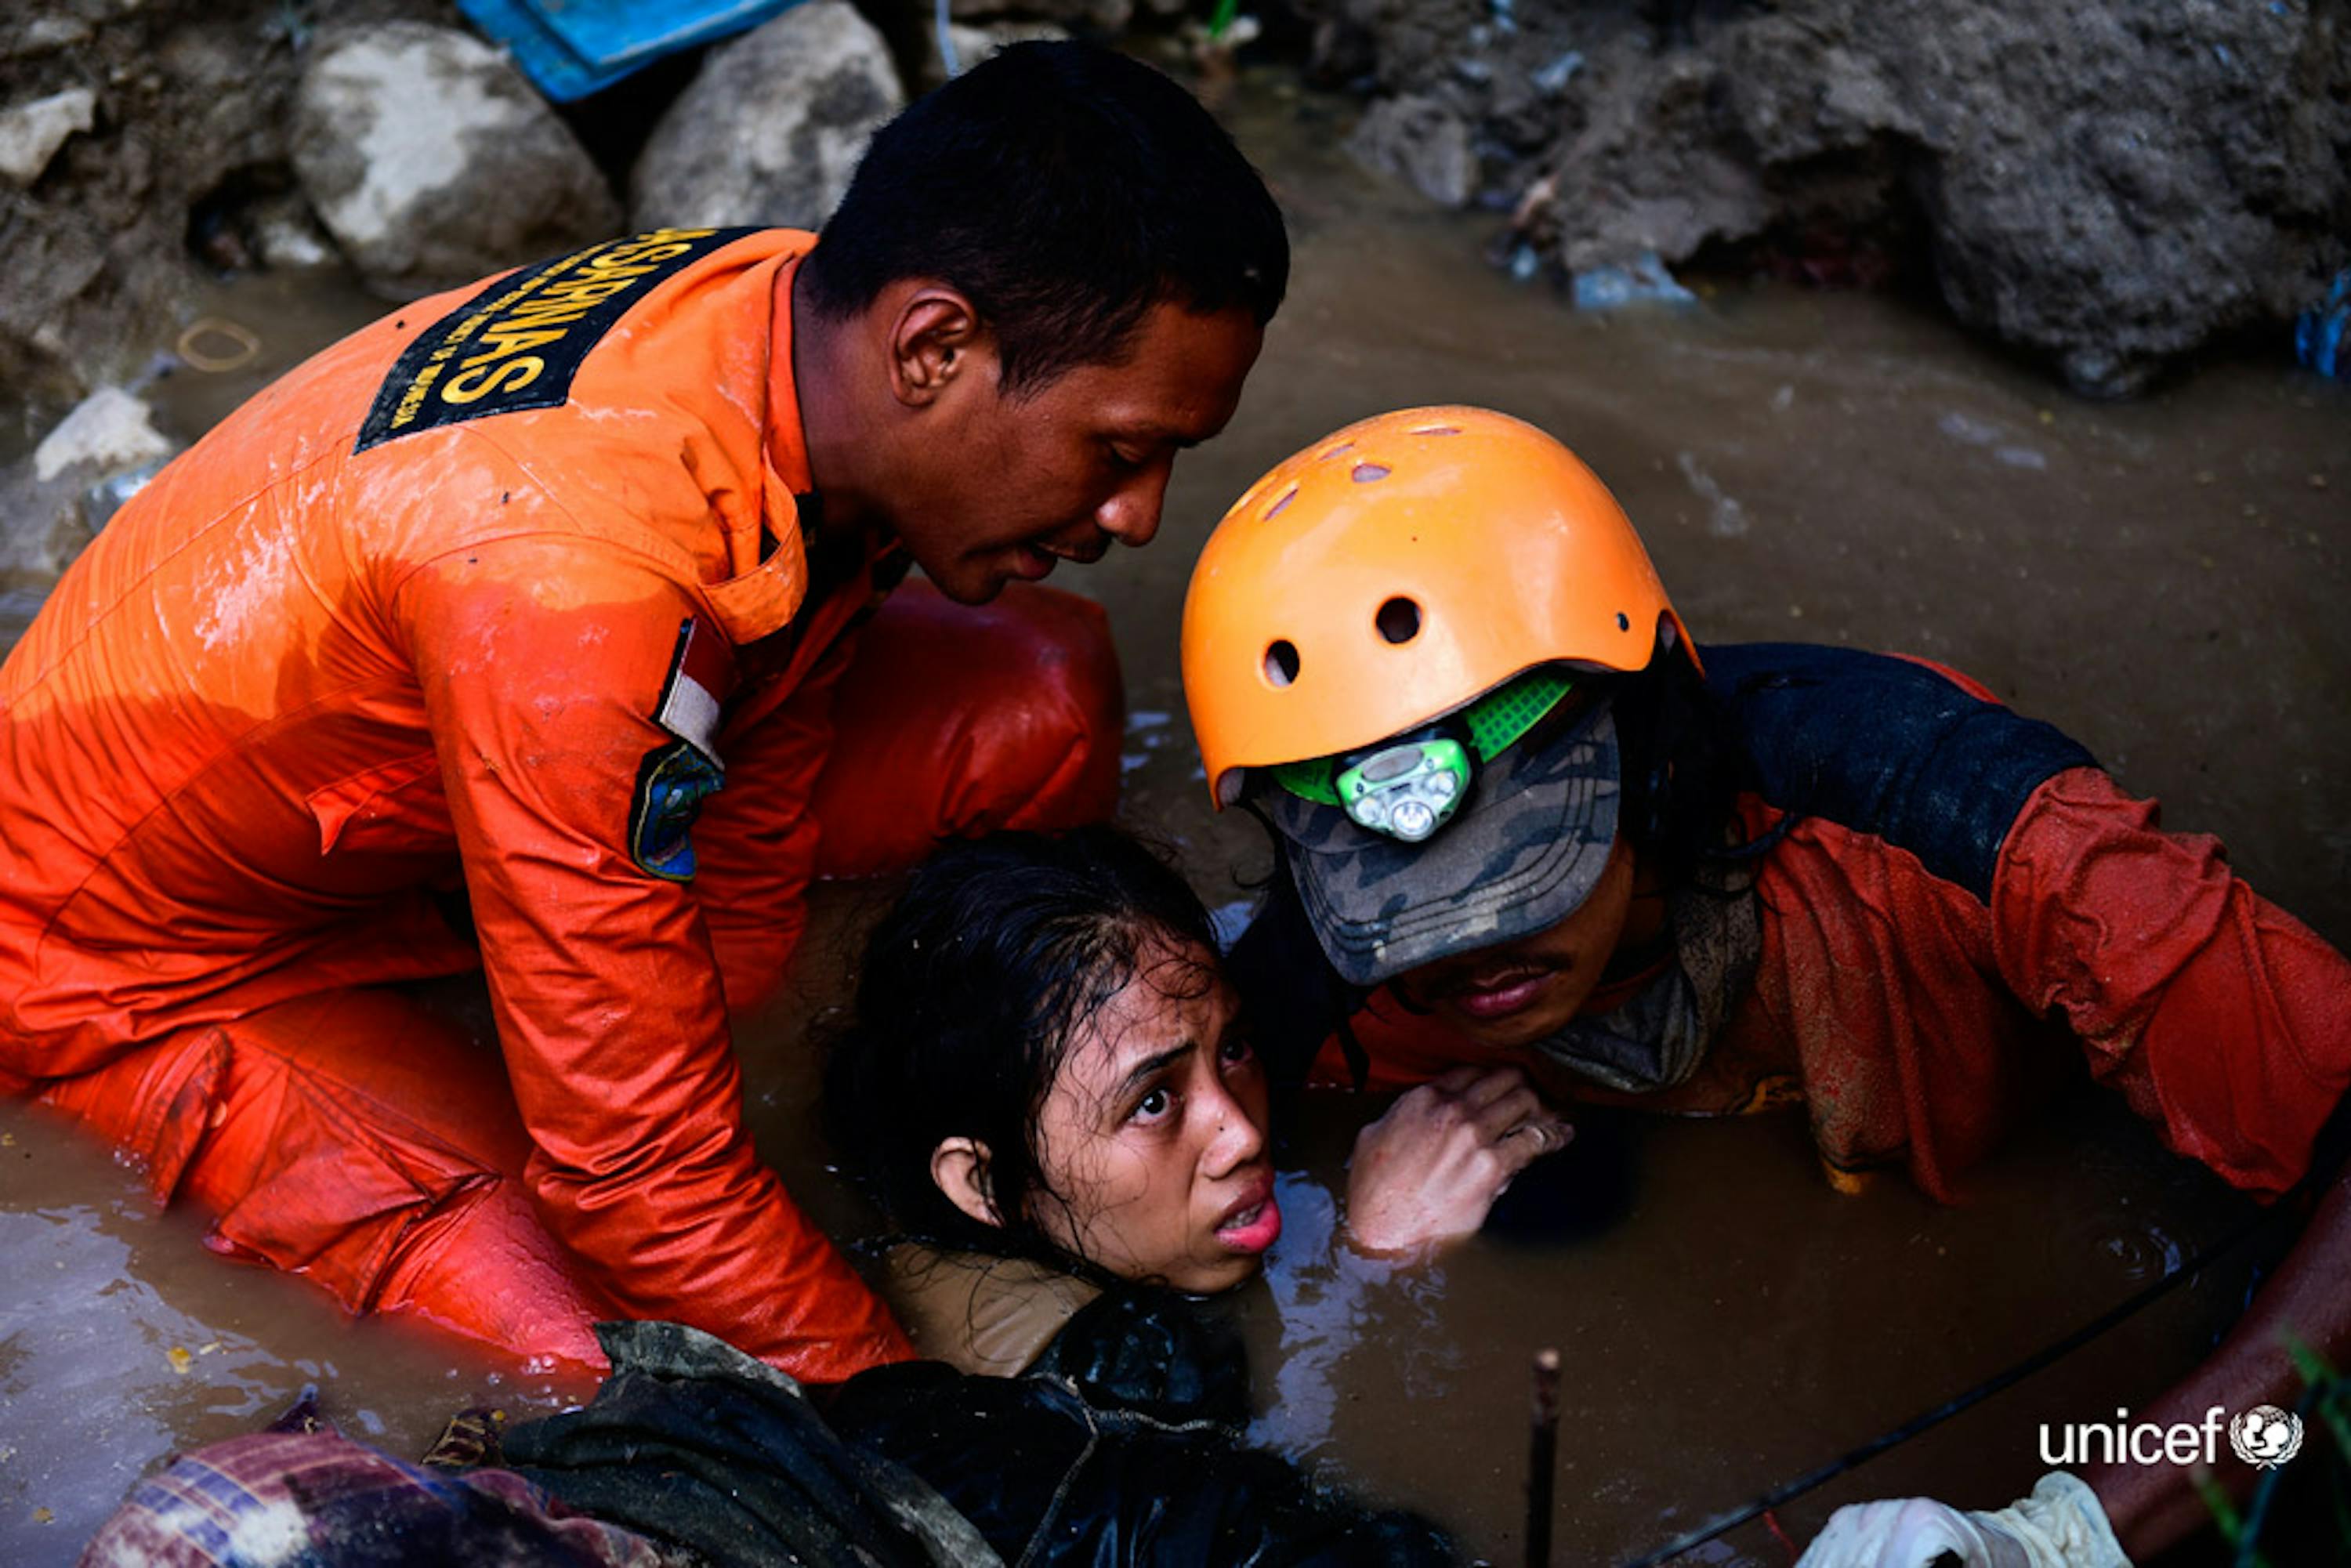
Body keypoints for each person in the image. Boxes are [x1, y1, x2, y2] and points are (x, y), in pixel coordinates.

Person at [0, 41, 1285, 1384]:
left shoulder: (799, 318)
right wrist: (917, 1420)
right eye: (1121, 450)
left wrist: (742, 1066)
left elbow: (782, 690)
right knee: (614, 1353)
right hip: (134, 963)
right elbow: (634, 1183)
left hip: (437, 793)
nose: (1140, 516)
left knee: (1043, 694)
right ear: (935, 347)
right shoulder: (575, 588)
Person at [1180, 406, 2351, 1561]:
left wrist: (2081, 1529)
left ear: (1653, 759)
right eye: (1403, 911)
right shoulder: (1302, 991)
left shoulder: (1983, 842)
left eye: (1521, 879)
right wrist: (1362, 1256)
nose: (1464, 955)